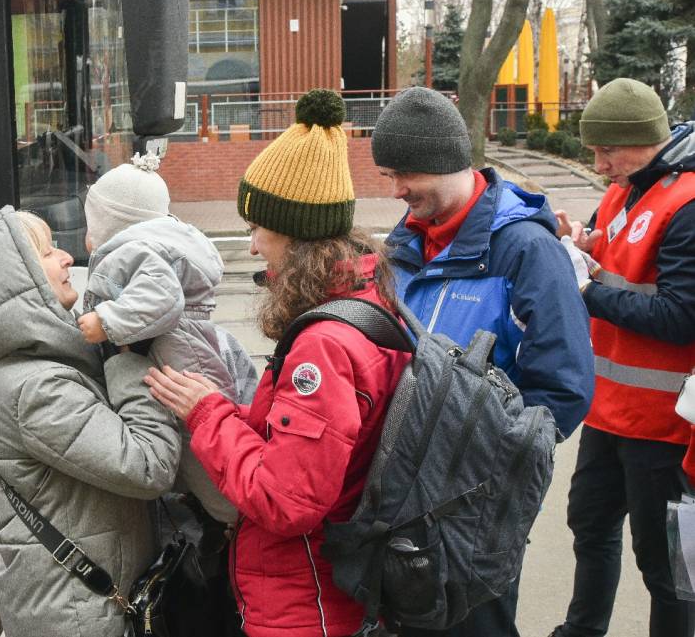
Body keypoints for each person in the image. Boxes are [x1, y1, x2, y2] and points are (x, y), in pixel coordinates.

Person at [145, 89, 411, 637]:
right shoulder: (365, 304)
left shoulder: (324, 345)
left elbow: (285, 500)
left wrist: (207, 415)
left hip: (305, 605)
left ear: (293, 233)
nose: (251, 247)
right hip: (322, 592)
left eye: (256, 229)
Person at [371, 86, 595, 637]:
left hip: (476, 507)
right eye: (390, 176)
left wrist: (491, 472)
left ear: (449, 163)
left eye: (407, 176)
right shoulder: (403, 247)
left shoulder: (524, 250)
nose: (397, 191)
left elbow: (564, 388)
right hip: (400, 492)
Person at [0, 207, 181, 637]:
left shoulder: (43, 363)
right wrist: (128, 360)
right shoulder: (35, 388)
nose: (66, 259)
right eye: (47, 252)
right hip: (77, 616)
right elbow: (149, 465)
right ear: (14, 287)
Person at [548, 78, 695, 637]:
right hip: (608, 410)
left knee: (666, 567)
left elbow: (682, 317)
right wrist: (583, 246)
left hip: (663, 425)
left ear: (645, 140)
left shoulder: (686, 204)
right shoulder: (629, 187)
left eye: (608, 148)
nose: (599, 161)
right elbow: (625, 266)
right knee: (590, 525)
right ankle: (582, 630)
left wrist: (588, 292)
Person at [77, 150, 258, 523]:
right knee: (227, 407)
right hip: (197, 340)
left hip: (175, 349)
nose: (87, 238)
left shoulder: (130, 251)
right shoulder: (160, 243)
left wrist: (105, 320)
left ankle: (236, 513)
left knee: (197, 432)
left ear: (112, 224)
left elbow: (163, 298)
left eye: (92, 226)